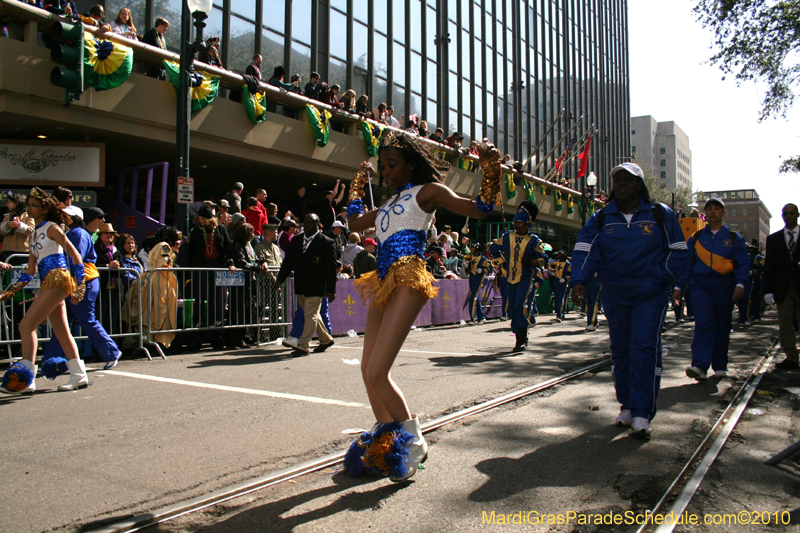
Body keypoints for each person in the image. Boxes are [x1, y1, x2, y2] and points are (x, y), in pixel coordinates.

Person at [343, 131, 497, 481]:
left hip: (408, 278)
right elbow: (354, 223)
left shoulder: (428, 192)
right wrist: (357, 184)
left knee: (378, 371)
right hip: (383, 281)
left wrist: (490, 169)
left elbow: (479, 209)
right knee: (367, 370)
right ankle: (387, 439)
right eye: (382, 166)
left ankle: (413, 441)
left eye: (392, 164)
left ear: (411, 164)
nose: (386, 171)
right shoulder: (386, 204)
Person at [570, 162, 690, 438]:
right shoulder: (602, 217)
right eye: (617, 180)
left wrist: (664, 278)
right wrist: (578, 280)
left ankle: (642, 412)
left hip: (650, 295)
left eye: (628, 179)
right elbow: (585, 249)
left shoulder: (659, 214)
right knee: (620, 350)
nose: (622, 184)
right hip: (615, 294)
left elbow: (678, 251)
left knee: (643, 349)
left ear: (639, 184)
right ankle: (626, 406)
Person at [0, 188, 87, 394]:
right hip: (47, 283)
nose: (29, 208)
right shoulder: (33, 234)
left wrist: (80, 284)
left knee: (26, 325)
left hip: (59, 280)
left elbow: (75, 255)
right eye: (28, 205)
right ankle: (78, 374)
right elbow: (30, 270)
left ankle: (25, 379)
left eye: (34, 205)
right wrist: (8, 292)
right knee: (61, 329)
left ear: (45, 209)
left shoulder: (52, 228)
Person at [675, 197, 749, 381]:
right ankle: (699, 365)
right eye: (709, 209)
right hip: (700, 286)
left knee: (722, 325)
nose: (713, 212)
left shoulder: (733, 238)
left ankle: (720, 365)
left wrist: (740, 284)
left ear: (723, 212)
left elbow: (742, 263)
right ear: (705, 213)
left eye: (717, 208)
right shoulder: (696, 237)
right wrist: (678, 286)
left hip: (724, 286)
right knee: (704, 323)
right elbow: (687, 265)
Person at [42, 208, 123, 371]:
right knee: (62, 323)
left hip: (82, 280)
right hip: (74, 281)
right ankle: (52, 362)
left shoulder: (78, 233)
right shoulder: (73, 233)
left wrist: (77, 285)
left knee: (85, 319)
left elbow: (76, 260)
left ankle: (111, 352)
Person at [275, 214, 337, 356]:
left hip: (317, 286)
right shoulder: (296, 240)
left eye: (310, 224)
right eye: (305, 223)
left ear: (317, 225)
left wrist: (331, 289)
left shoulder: (326, 242)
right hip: (301, 285)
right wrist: (280, 279)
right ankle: (326, 339)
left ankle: (303, 346)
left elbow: (331, 267)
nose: (306, 226)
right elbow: (288, 262)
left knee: (310, 315)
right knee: (311, 314)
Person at [489, 202, 547, 351]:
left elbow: (543, 259)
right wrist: (502, 261)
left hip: (526, 277)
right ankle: (518, 334)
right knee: (513, 308)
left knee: (520, 305)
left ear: (527, 224)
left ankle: (522, 338)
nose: (516, 225)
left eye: (520, 222)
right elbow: (493, 248)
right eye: (515, 222)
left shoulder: (534, 241)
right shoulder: (507, 237)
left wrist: (531, 262)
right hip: (509, 276)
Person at [763, 203, 800, 370]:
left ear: (797, 215)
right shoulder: (774, 239)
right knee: (785, 324)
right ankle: (791, 358)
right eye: (786, 213)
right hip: (783, 288)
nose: (789, 216)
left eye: (792, 213)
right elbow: (769, 266)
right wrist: (767, 291)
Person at [188, 205, 233, 327]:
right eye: (199, 219)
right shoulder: (196, 231)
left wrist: (229, 262)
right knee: (200, 294)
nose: (201, 221)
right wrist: (191, 266)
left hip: (216, 264)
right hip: (201, 265)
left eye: (203, 219)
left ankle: (212, 319)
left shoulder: (220, 229)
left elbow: (227, 246)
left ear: (210, 219)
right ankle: (198, 320)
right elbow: (191, 249)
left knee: (214, 295)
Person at [1, 192, 34, 261]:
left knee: (23, 267)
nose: (7, 204)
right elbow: (1, 231)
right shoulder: (7, 216)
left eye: (9, 202)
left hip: (24, 251)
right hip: (8, 250)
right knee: (9, 267)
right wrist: (7, 225)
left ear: (17, 203)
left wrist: (20, 226)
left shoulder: (28, 215)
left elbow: (32, 231)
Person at [464, 242, 490, 324]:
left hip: (478, 279)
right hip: (472, 278)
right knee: (476, 298)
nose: (471, 249)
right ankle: (481, 317)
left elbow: (488, 270)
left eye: (473, 248)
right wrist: (466, 266)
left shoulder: (483, 259)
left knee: (473, 298)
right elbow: (468, 271)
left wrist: (482, 270)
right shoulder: (471, 258)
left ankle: (473, 318)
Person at [548, 251, 571, 322]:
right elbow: (552, 270)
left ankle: (560, 315)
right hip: (556, 281)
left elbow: (570, 274)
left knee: (561, 298)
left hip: (563, 283)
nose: (559, 257)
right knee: (557, 298)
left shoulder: (568, 264)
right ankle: (558, 313)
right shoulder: (555, 263)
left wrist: (565, 279)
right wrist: (552, 273)